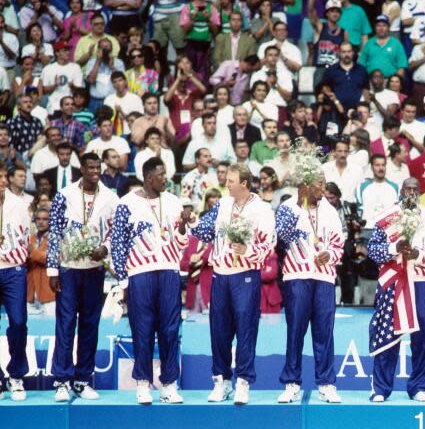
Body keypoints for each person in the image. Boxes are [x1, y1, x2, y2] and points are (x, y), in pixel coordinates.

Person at [190, 163, 276, 405]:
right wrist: (188, 224)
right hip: (220, 274)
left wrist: (247, 249)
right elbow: (205, 230)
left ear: (244, 184)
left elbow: (269, 244)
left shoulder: (262, 210)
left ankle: (243, 382)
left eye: (230, 181)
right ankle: (221, 381)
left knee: (245, 330)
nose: (226, 184)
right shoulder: (223, 204)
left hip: (245, 275)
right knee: (219, 330)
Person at [110, 157, 192, 405]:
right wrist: (123, 282)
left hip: (168, 271)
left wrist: (182, 229)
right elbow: (117, 245)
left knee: (169, 330)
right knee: (142, 330)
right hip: (140, 274)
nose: (166, 178)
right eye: (161, 175)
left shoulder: (174, 201)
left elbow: (182, 244)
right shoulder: (127, 204)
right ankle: (143, 384)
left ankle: (169, 384)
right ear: (148, 178)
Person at [46, 152, 119, 402]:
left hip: (94, 270)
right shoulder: (64, 194)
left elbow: (115, 232)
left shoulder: (110, 197)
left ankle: (82, 379)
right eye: (90, 167)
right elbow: (54, 232)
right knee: (65, 324)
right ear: (82, 169)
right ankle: (61, 380)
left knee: (90, 325)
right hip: (67, 268)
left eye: (98, 167)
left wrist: (105, 249)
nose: (95, 172)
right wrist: (52, 270)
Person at [274, 153, 344, 404]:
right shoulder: (287, 208)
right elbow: (280, 239)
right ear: (306, 185)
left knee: (325, 332)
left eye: (325, 184)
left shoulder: (331, 210)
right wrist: (299, 206)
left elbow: (339, 242)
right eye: (320, 185)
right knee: (296, 331)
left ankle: (326, 383)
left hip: (324, 277)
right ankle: (291, 383)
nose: (324, 190)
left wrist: (330, 253)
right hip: (297, 276)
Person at [367, 177, 425, 402]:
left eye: (414, 189)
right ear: (400, 191)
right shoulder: (387, 218)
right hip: (393, 281)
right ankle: (380, 388)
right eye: (406, 189)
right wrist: (393, 247)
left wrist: (418, 255)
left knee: (422, 336)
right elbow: (373, 250)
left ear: (420, 191)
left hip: (419, 282)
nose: (410, 193)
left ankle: (418, 386)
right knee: (388, 334)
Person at [0, 161, 31, 401]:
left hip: (14, 270)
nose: (1, 182)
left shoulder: (20, 204)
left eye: (3, 177)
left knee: (18, 322)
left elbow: (27, 237)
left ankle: (16, 376)